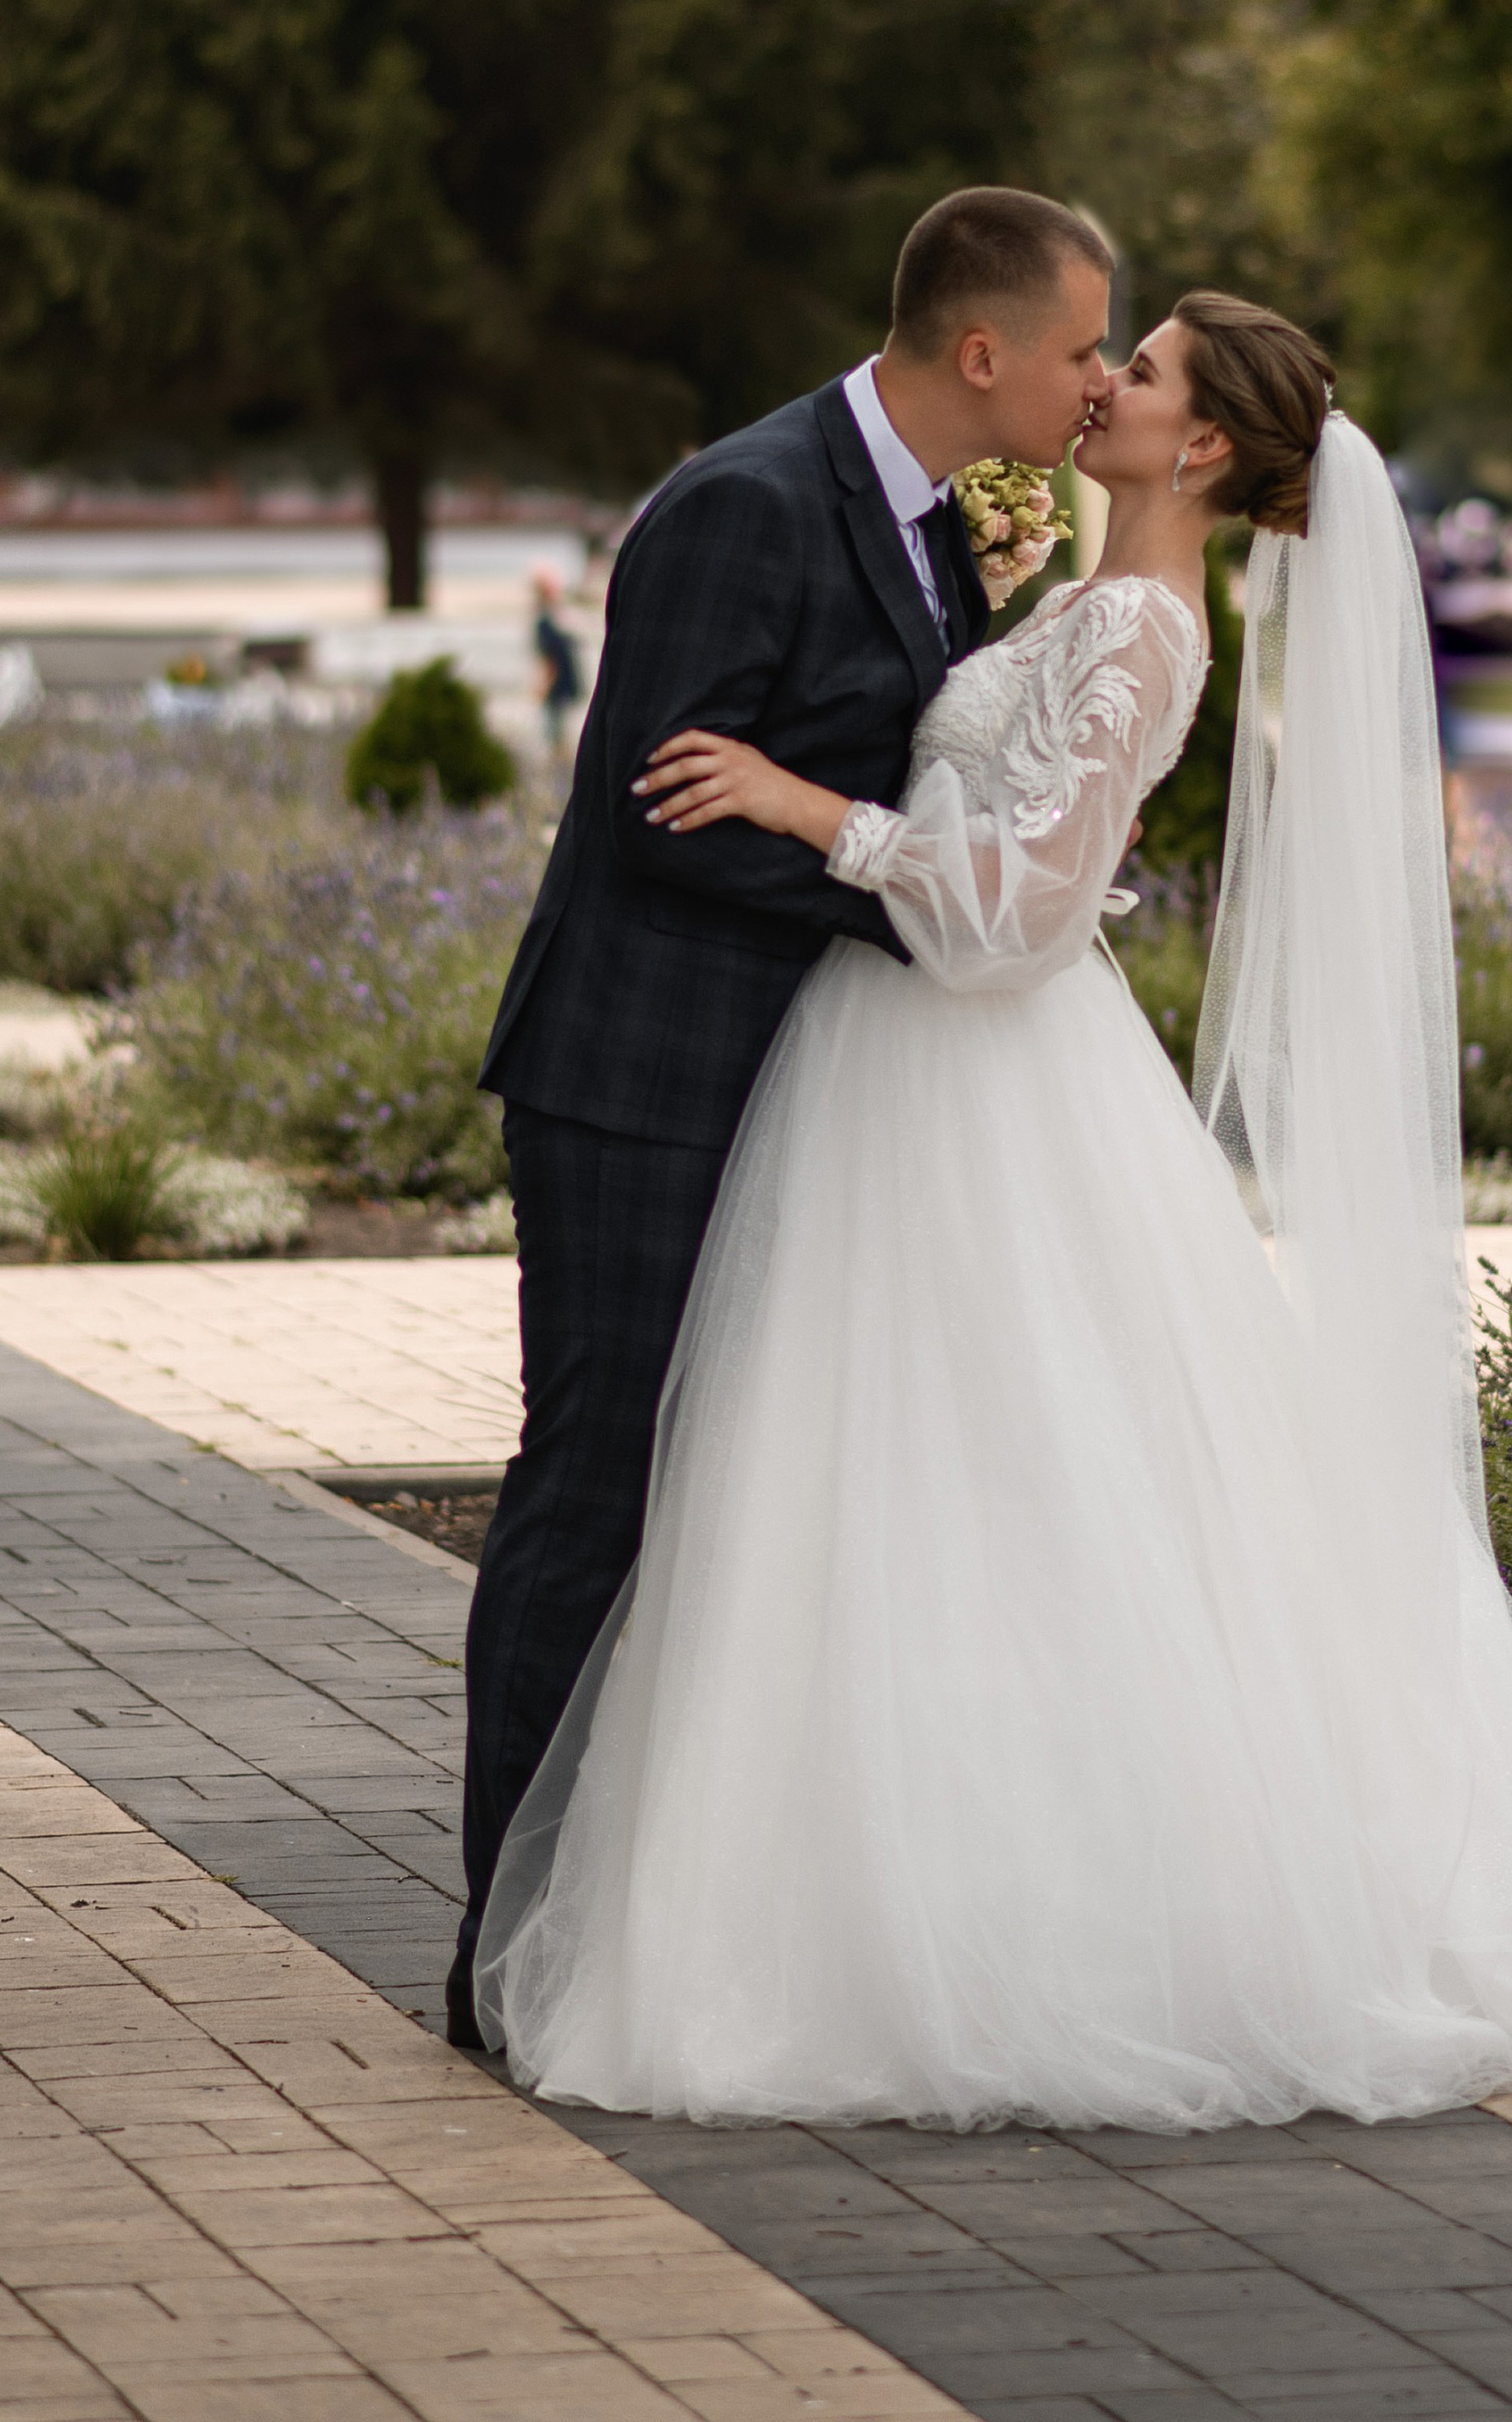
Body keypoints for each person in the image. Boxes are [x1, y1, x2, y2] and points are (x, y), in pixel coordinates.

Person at [469, 292, 1512, 2125]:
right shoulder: (1083, 598)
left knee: (973, 1487)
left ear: (1197, 445)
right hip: (898, 1077)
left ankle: (986, 1926)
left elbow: (1013, 925)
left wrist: (811, 809)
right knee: (901, 1487)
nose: (1102, 381)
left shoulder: (1139, 627)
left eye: (1139, 372)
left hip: (969, 1078)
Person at [452, 188, 1117, 2047]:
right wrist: (908, 898)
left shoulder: (918, 516)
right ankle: (499, 1957)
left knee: (733, 1513)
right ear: (979, 352)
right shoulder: (745, 504)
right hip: (641, 1083)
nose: (1093, 382)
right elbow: (666, 815)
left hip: (787, 1086)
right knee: (592, 1495)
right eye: (1078, 347)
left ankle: (634, 1932)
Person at [530, 571, 585, 760]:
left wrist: (543, 686)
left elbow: (549, 659)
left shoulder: (550, 621)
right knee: (557, 735)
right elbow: (550, 658)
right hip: (561, 685)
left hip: (560, 686)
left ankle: (562, 771)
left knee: (557, 735)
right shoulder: (550, 622)